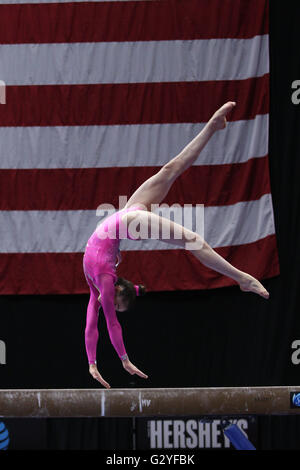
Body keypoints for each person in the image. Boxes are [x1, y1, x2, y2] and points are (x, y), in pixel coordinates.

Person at [83, 102, 269, 389]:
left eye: (116, 305)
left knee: (189, 229)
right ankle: (212, 126)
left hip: (129, 220)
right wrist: (92, 363)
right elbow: (91, 322)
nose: (111, 306)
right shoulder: (97, 281)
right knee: (172, 177)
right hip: (124, 219)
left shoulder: (104, 283)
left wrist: (122, 359)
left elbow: (108, 324)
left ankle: (242, 279)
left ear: (117, 294)